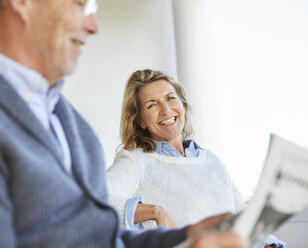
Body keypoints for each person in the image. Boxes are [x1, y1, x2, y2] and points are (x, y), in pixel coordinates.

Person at [0, 0, 249, 248]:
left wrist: (185, 237)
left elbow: (100, 239)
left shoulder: (76, 130)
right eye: (80, 5)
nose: (93, 26)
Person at [106, 69, 286, 248]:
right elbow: (92, 202)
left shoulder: (211, 161)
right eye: (152, 105)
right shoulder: (135, 162)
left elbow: (240, 217)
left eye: (170, 98)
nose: (166, 110)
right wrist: (155, 212)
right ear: (140, 121)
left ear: (183, 105)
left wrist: (268, 245)